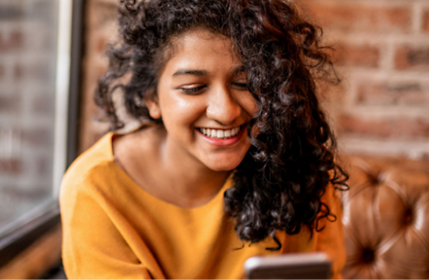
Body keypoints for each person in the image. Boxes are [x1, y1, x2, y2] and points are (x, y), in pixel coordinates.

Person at [59, 0, 349, 279]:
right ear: (151, 97)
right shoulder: (95, 190)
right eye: (194, 88)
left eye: (245, 84)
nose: (225, 112)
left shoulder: (300, 169)